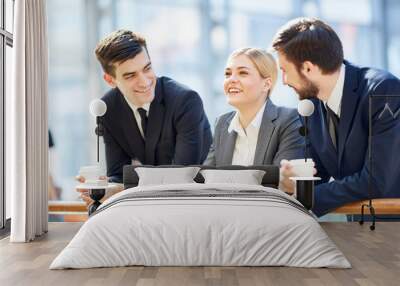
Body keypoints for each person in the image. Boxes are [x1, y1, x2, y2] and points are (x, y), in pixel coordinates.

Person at [272, 18, 400, 216]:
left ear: (308, 68)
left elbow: (377, 181)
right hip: (359, 233)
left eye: (285, 71)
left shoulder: (383, 92)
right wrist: (291, 180)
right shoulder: (310, 108)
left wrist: (305, 197)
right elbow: (316, 173)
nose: (284, 81)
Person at [77, 29, 212, 205]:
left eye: (147, 68)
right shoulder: (109, 109)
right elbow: (119, 174)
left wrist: (122, 189)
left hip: (196, 200)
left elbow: (182, 177)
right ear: (110, 80)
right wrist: (105, 187)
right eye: (130, 75)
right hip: (151, 203)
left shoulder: (185, 101)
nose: (145, 82)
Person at [204, 48, 303, 166]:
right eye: (228, 74)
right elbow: (207, 176)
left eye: (243, 73)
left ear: (266, 84)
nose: (232, 79)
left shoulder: (289, 120)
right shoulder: (221, 123)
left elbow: (281, 177)